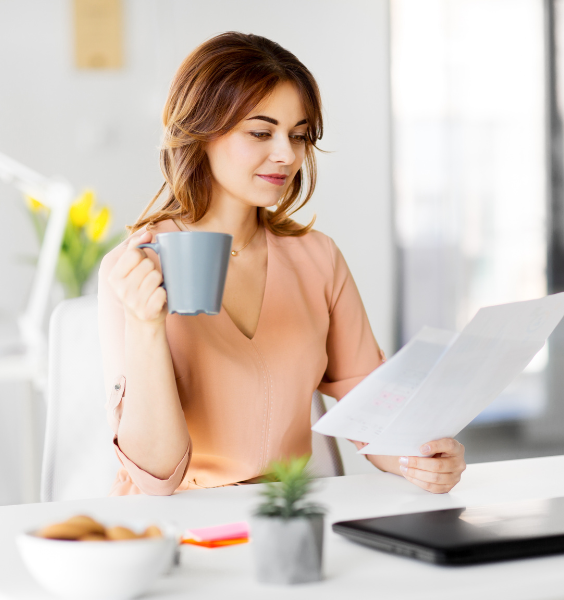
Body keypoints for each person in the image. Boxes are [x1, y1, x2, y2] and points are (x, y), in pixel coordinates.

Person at [98, 32, 466, 496]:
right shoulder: (135, 267)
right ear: (201, 130)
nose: (287, 155)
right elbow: (156, 475)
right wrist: (144, 324)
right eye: (260, 132)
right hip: (181, 525)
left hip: (287, 513)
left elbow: (373, 408)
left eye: (298, 135)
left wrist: (422, 456)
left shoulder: (318, 258)